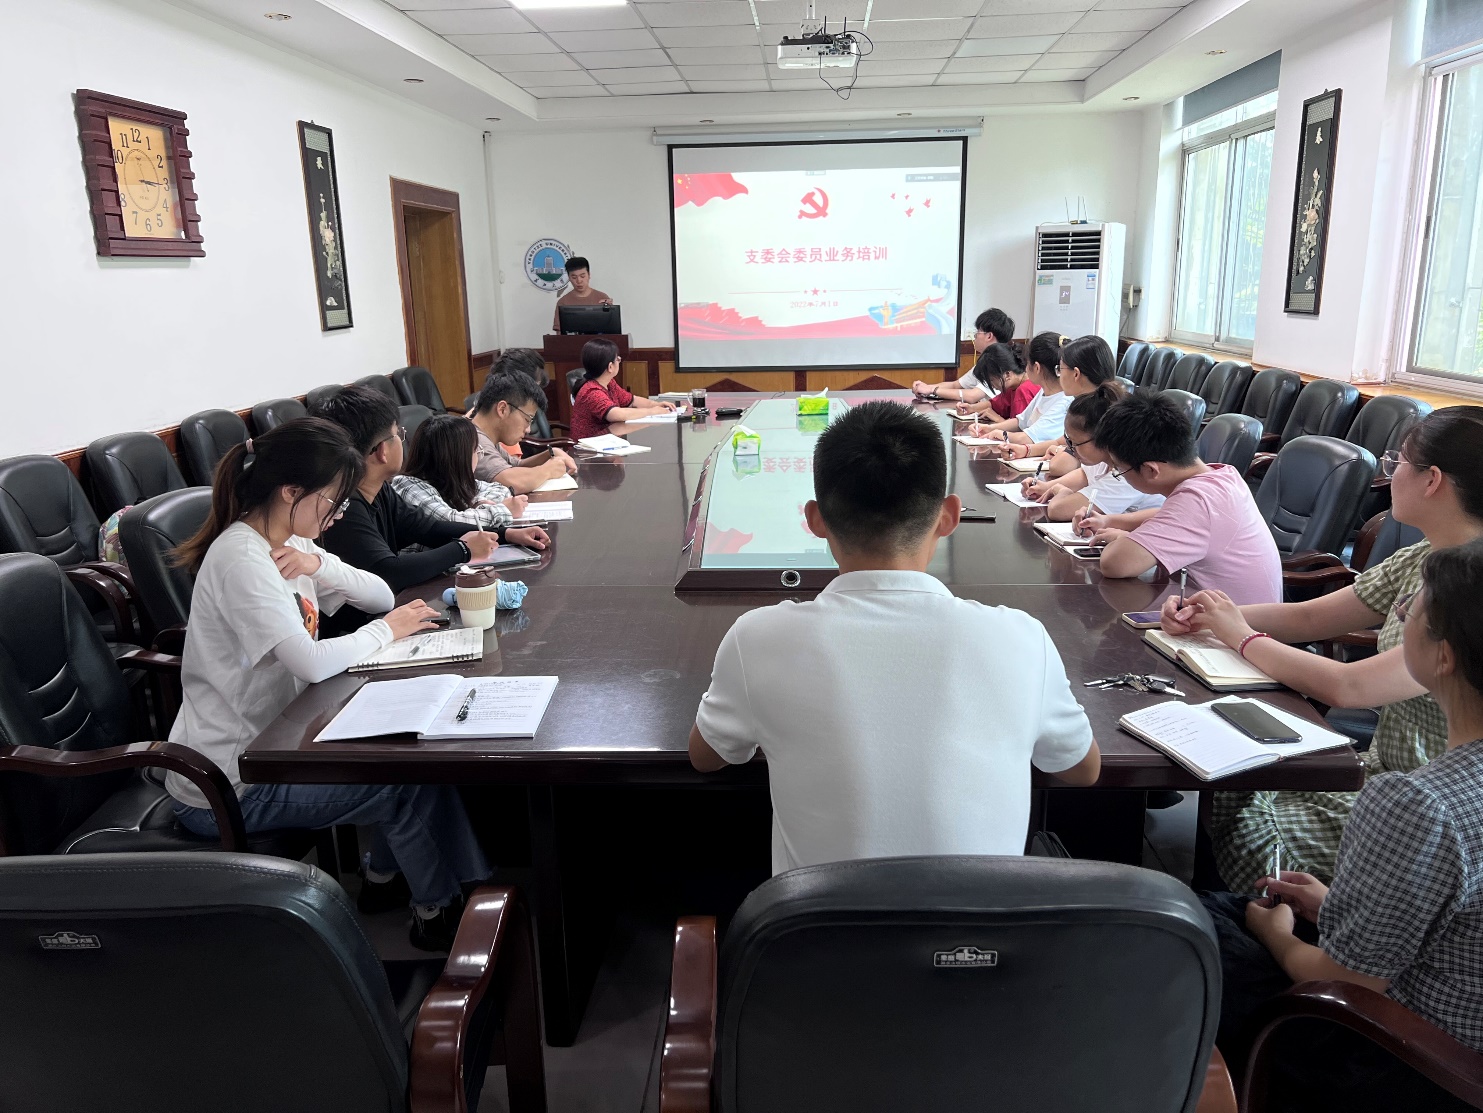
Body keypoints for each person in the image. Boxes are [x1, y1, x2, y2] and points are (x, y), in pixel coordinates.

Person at [688, 401, 1101, 875]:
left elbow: (706, 757)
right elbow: (1081, 768)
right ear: (949, 516)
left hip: (817, 923)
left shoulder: (758, 639)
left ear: (815, 519)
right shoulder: (1021, 639)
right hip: (981, 924)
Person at [166, 418, 489, 951]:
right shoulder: (241, 560)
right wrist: (385, 632)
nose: (337, 514)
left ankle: (387, 880)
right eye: (331, 501)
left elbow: (380, 594)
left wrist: (319, 564)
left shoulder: (289, 541)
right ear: (290, 491)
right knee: (405, 785)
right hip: (230, 782)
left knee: (411, 757)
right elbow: (312, 663)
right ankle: (441, 911)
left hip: (282, 742)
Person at [1200, 539, 1483, 1113]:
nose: (1399, 617)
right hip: (1462, 1034)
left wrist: (1276, 934)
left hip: (1408, 1061)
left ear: (1445, 656)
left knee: (1185, 931)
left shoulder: (1418, 801)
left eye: (1412, 609)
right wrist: (1334, 906)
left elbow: (1347, 981)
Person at [1160, 406, 1483, 891]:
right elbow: (1310, 618)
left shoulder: (1468, 590)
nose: (1389, 475)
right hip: (1381, 769)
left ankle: (1263, 918)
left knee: (1242, 794)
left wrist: (1240, 636)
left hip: (1425, 801)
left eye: (1397, 463)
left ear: (1432, 479)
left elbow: (1350, 686)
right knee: (1235, 775)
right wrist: (1211, 613)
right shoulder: (1423, 553)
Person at [311, 385, 549, 636]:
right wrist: (463, 549)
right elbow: (389, 571)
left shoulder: (378, 490)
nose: (402, 439)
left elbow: (428, 527)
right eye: (398, 434)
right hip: (355, 635)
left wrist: (505, 534)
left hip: (386, 619)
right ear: (382, 451)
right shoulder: (342, 507)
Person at [1083, 390, 1281, 605]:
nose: (1119, 474)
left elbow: (1115, 564)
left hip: (1236, 623)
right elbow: (1167, 516)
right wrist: (1113, 523)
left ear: (1151, 470)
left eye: (1119, 469)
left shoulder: (1198, 501)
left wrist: (1126, 540)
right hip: (1223, 614)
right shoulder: (1221, 476)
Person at [1022, 382, 1166, 523]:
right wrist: (1046, 487)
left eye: (1076, 443)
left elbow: (1057, 510)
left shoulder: (1127, 472)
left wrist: (1062, 492)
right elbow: (1084, 474)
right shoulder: (1105, 457)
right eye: (1068, 441)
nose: (1070, 449)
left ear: (1102, 438)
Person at [974, 335, 1113, 468]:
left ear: (1076, 374)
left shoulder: (1074, 405)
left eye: (1060, 369)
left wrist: (1059, 452)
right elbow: (1060, 441)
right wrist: (1026, 450)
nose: (1059, 375)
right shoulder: (1080, 404)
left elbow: (1063, 465)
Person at [392, 413, 530, 530]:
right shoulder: (407, 486)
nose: (479, 456)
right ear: (458, 457)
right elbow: (450, 523)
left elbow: (500, 489)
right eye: (476, 451)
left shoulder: (454, 481)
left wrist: (479, 503)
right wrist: (503, 510)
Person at [468, 371, 580, 491]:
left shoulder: (485, 436)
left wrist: (551, 453)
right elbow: (510, 482)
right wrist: (548, 470)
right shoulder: (472, 440)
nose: (528, 430)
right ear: (502, 409)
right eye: (527, 419)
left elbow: (516, 465)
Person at [569, 338, 676, 441]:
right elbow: (618, 415)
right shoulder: (592, 392)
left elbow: (632, 400)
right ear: (610, 367)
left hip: (606, 440)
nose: (619, 361)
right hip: (587, 448)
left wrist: (655, 404)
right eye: (617, 359)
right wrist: (652, 412)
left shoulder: (609, 383)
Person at [910, 307, 1015, 401]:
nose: (975, 336)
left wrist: (932, 390)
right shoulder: (985, 361)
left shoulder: (1000, 363)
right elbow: (955, 385)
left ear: (989, 336)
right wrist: (926, 387)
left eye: (977, 332)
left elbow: (973, 396)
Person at [552, 255, 612, 332]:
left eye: (582, 276)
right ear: (569, 278)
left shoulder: (602, 298)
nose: (579, 281)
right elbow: (559, 334)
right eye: (574, 277)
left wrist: (610, 309)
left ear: (589, 275)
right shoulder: (563, 302)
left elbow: (611, 329)